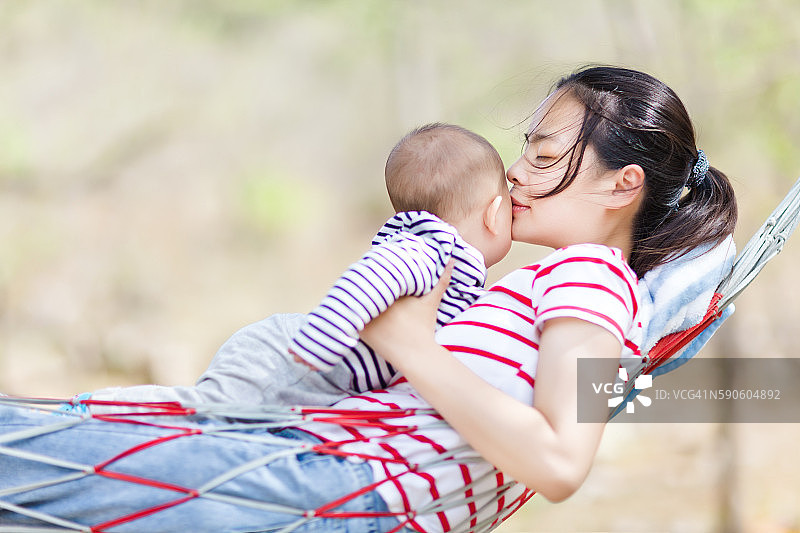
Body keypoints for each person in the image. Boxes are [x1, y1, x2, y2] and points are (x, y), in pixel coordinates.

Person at [0, 66, 737, 533]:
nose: (512, 174)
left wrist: (411, 344)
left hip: (327, 487)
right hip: (304, 464)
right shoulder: (543, 286)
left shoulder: (590, 276)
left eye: (543, 156)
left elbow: (559, 462)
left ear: (621, 185)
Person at [83, 122, 512, 408]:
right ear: (494, 214)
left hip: (306, 378)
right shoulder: (427, 248)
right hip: (287, 361)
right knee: (200, 415)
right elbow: (367, 281)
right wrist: (318, 344)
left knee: (209, 425)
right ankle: (101, 410)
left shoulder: (453, 268)